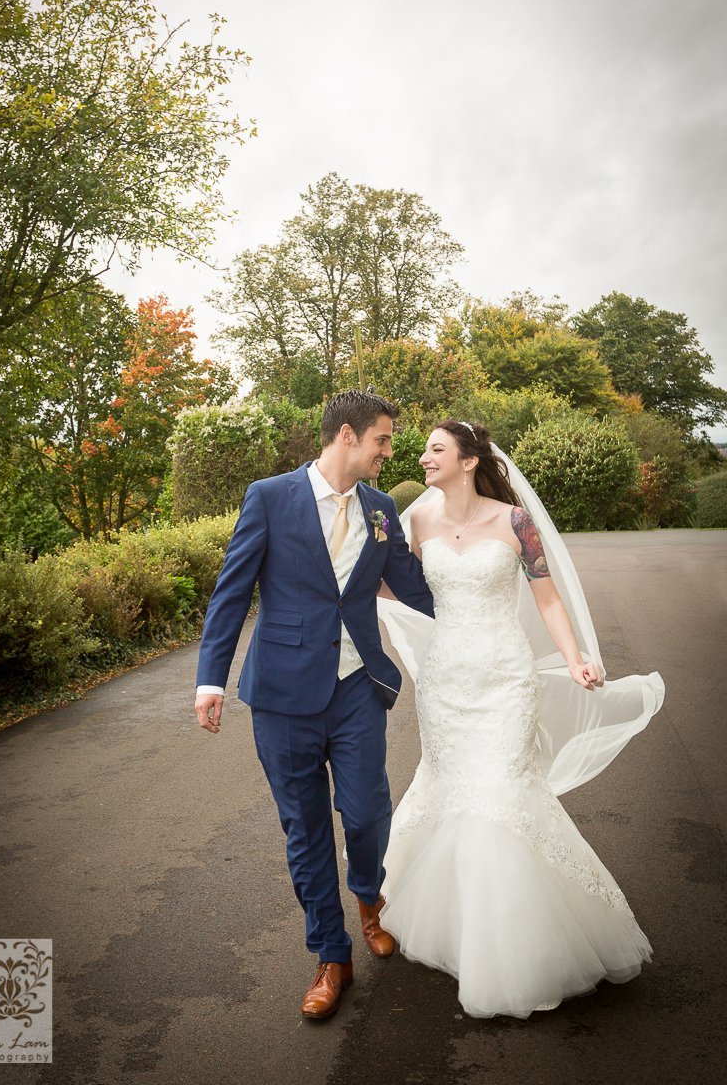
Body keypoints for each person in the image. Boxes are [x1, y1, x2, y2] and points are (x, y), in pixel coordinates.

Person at [376, 419, 665, 1020]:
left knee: (504, 792)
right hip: (446, 683)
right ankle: (462, 926)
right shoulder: (416, 522)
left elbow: (547, 596)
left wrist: (576, 658)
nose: (423, 458)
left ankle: (513, 950)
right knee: (453, 790)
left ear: (469, 460)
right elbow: (386, 586)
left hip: (506, 680)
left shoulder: (514, 523)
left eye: (436, 449)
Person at [195, 390, 434, 1020]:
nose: (389, 451)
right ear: (349, 436)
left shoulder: (383, 509)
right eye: (383, 439)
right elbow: (232, 589)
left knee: (366, 811)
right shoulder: (269, 497)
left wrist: (485, 602)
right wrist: (209, 680)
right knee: (303, 830)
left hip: (358, 686)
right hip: (282, 695)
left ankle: (369, 896)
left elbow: (411, 585)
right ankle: (331, 955)